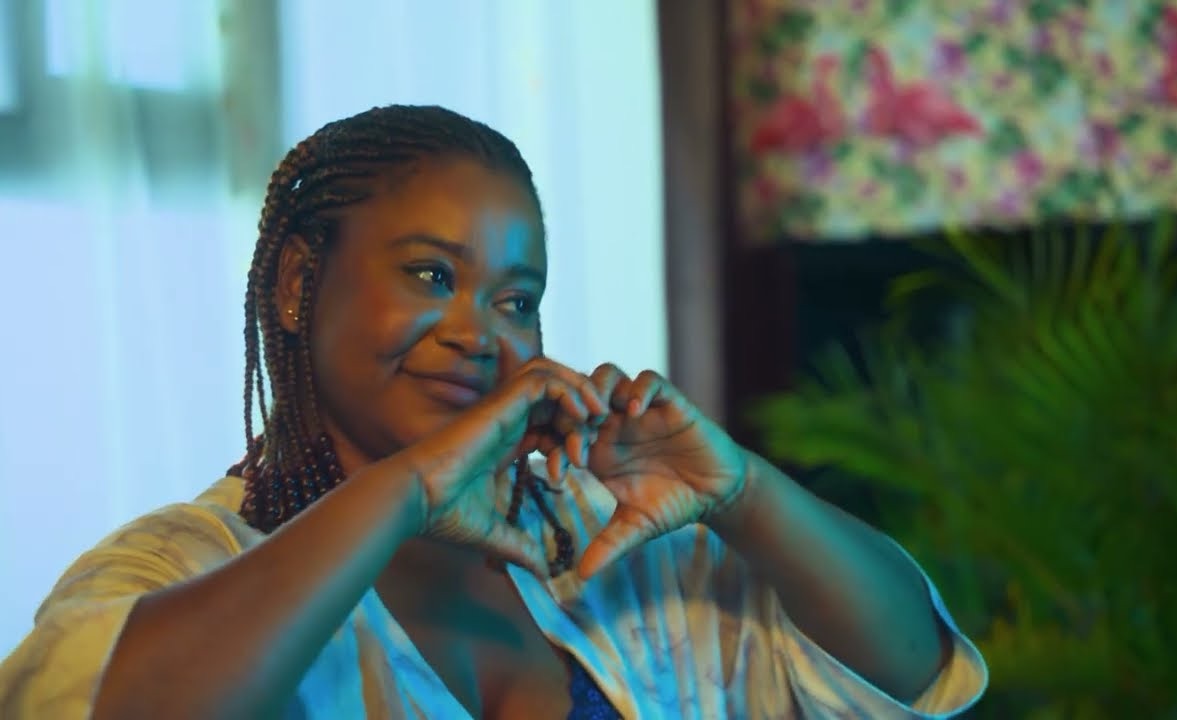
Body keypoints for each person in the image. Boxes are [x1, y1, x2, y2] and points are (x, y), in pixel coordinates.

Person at [0, 105, 986, 719]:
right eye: (432, 275)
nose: (480, 332)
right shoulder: (185, 564)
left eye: (516, 300)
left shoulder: (606, 551)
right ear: (299, 284)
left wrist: (743, 494)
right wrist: (405, 494)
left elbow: (907, 672)